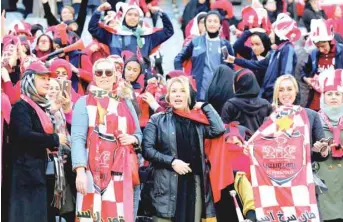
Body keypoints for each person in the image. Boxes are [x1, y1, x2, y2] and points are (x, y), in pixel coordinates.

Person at [244, 74, 328, 221]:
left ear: (296, 91)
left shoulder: (311, 115)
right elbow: (261, 150)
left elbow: (321, 153)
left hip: (303, 183)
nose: (285, 93)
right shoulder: (269, 119)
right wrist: (250, 150)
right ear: (276, 94)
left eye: (289, 89)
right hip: (275, 184)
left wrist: (321, 150)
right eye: (281, 90)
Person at [142, 76, 225, 222]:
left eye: (182, 91)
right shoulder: (157, 119)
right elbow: (147, 150)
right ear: (168, 96)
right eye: (174, 91)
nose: (178, 95)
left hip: (194, 184)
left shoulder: (197, 121)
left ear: (189, 96)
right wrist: (172, 162)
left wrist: (205, 106)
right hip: (167, 183)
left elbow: (218, 129)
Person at [71, 58, 143, 221]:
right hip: (91, 171)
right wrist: (80, 171)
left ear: (115, 76)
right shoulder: (83, 102)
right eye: (99, 72)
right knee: (89, 214)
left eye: (108, 72)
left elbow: (139, 134)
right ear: (94, 77)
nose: (104, 76)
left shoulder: (125, 102)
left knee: (118, 214)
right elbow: (77, 138)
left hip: (119, 171)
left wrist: (131, 138)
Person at [8, 61, 68, 222]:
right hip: (26, 178)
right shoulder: (21, 107)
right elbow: (24, 136)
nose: (48, 82)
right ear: (30, 81)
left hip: (40, 174)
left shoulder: (42, 107)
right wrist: (55, 139)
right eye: (43, 78)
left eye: (49, 78)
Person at [226, 13, 299, 102]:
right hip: (267, 95)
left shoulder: (287, 49)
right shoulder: (276, 52)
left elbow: (285, 76)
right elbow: (255, 64)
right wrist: (234, 59)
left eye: (273, 32)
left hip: (276, 97)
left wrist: (280, 97)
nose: (270, 35)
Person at [174, 11, 234, 101]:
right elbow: (178, 58)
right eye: (209, 21)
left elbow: (231, 67)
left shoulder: (225, 44)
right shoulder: (195, 41)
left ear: (220, 25)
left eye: (215, 21)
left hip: (219, 91)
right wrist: (180, 76)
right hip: (199, 90)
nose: (212, 24)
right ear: (205, 24)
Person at [88, 2, 174, 58]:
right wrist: (98, 11)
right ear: (124, 17)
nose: (132, 17)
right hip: (118, 79)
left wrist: (162, 13)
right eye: (129, 14)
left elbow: (168, 31)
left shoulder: (148, 35)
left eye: (136, 15)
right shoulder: (114, 34)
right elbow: (93, 28)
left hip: (141, 79)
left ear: (139, 18)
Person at [316, 69, 343, 222]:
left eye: (338, 94)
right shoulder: (315, 119)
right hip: (323, 177)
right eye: (329, 94)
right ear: (323, 97)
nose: (333, 97)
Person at [301, 19, 343, 111]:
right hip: (316, 103)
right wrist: (306, 79)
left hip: (337, 102)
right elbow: (304, 71)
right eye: (317, 46)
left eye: (323, 46)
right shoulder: (313, 54)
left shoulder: (341, 52)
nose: (320, 50)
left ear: (330, 41)